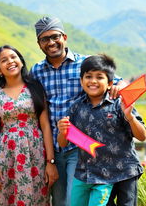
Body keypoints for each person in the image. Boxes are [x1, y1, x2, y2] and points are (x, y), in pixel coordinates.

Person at [29, 16, 124, 206]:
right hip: (52, 147)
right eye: (44, 39)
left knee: (75, 199)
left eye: (55, 36)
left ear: (64, 36)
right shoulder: (36, 71)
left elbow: (116, 81)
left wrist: (121, 84)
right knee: (59, 201)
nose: (51, 42)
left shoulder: (85, 63)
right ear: (39, 44)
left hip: (79, 145)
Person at [57, 54, 146, 206]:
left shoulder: (120, 103)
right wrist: (62, 131)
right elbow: (63, 143)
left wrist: (129, 116)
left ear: (110, 83)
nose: (93, 81)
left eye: (99, 77)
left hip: (125, 171)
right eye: (88, 76)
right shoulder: (76, 108)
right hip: (98, 176)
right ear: (81, 80)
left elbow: (142, 136)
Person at [0, 45, 58, 205]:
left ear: (21, 61)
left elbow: (45, 126)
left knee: (36, 198)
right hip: (6, 155)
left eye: (13, 57)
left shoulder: (36, 89)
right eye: (4, 60)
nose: (10, 62)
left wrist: (50, 162)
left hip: (35, 155)